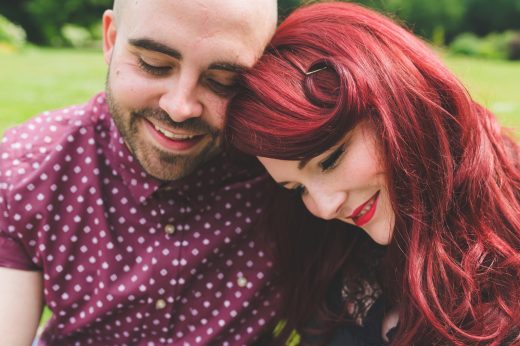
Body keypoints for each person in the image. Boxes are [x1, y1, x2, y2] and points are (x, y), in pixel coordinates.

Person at [226, 2, 520, 345]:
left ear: (398, 102)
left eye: (330, 160)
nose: (325, 206)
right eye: (297, 188)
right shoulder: (341, 255)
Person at [0, 0, 281, 345]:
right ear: (111, 39)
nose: (180, 107)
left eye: (223, 82)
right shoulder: (30, 168)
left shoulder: (287, 174)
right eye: (154, 65)